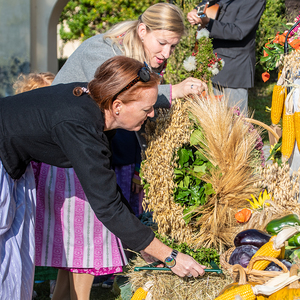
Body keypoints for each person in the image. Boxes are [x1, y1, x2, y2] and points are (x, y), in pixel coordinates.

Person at [0, 56, 206, 300]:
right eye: (146, 108)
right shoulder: (79, 123)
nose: (151, 114)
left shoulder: (96, 112)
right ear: (118, 106)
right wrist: (171, 257)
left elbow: (110, 192)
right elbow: (106, 207)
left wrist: (147, 245)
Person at [13, 72, 128, 300]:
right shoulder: (66, 125)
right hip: (77, 196)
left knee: (68, 272)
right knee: (81, 264)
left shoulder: (41, 135)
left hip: (62, 193)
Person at [187, 0, 266, 113]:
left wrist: (208, 22)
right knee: (218, 121)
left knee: (237, 122)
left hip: (236, 67)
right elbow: (209, 1)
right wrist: (197, 10)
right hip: (218, 62)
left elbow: (239, 31)